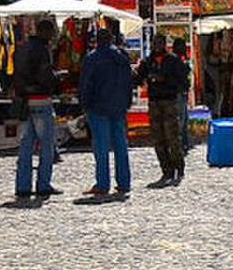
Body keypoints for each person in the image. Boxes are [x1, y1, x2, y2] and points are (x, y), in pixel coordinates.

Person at [78, 26, 133, 197]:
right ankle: (124, 182)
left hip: (98, 107)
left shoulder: (92, 58)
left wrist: (84, 104)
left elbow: (86, 84)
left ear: (97, 40)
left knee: (101, 148)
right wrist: (127, 102)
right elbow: (129, 82)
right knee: (121, 146)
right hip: (119, 106)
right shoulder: (122, 57)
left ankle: (103, 183)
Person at [13, 19, 61, 200]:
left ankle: (23, 186)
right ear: (45, 32)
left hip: (24, 101)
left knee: (26, 145)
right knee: (46, 145)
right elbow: (44, 76)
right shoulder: (42, 50)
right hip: (40, 98)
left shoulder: (21, 48)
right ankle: (43, 184)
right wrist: (56, 78)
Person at [135, 36, 188, 187]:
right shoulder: (148, 61)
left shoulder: (173, 60)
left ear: (165, 45)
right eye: (155, 43)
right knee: (158, 139)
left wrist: (165, 79)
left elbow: (183, 82)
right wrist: (142, 78)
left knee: (172, 137)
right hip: (154, 102)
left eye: (160, 43)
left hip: (169, 101)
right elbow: (138, 79)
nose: (157, 46)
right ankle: (166, 170)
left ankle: (179, 167)